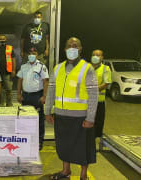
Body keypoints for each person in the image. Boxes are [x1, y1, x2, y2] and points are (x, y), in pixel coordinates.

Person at [45, 37, 98, 180]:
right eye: (69, 45)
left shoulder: (87, 68)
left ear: (80, 49)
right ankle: (65, 171)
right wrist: (47, 110)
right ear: (65, 49)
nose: (72, 48)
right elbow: (51, 90)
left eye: (75, 45)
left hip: (81, 117)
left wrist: (90, 118)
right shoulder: (58, 68)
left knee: (83, 148)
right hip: (61, 115)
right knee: (64, 145)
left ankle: (83, 175)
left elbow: (93, 95)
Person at [17, 47, 49, 150]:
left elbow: (45, 82)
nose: (31, 54)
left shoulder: (41, 66)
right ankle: (27, 141)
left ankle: (39, 142)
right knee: (25, 119)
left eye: (34, 52)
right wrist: (18, 94)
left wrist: (44, 96)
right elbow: (19, 81)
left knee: (39, 120)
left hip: (37, 96)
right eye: (30, 52)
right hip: (26, 96)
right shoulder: (23, 67)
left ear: (37, 54)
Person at [90, 50, 111, 139]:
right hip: (87, 101)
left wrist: (92, 90)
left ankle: (96, 140)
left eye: (98, 55)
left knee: (98, 122)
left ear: (102, 57)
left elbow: (106, 83)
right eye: (93, 55)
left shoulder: (105, 68)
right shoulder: (87, 68)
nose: (95, 56)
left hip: (99, 101)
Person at [0, 34, 16, 107]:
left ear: (6, 40)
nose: (2, 40)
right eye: (0, 39)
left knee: (8, 89)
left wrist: (13, 70)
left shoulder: (10, 48)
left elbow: (13, 59)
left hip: (7, 72)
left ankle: (9, 104)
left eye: (3, 39)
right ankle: (0, 103)